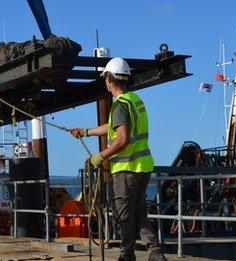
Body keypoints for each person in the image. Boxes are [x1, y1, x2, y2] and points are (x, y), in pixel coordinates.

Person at [70, 58, 167, 261]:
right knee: (139, 213)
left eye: (106, 77)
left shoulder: (120, 106)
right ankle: (155, 253)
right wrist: (86, 132)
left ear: (110, 79)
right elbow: (114, 126)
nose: (105, 81)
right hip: (143, 167)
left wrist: (101, 155)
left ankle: (126, 255)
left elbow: (122, 138)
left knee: (123, 215)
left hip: (127, 169)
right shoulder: (134, 101)